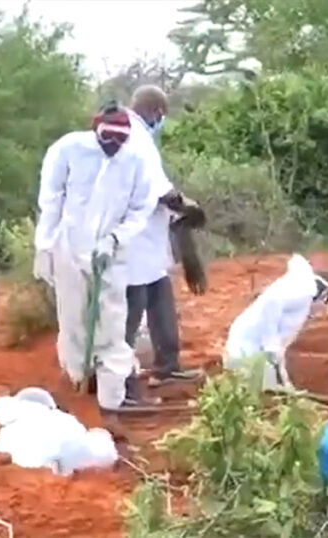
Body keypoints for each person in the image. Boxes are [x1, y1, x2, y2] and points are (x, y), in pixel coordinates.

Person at [33, 103, 158, 411]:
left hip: (111, 255)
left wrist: (115, 239)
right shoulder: (68, 149)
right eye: (108, 137)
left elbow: (141, 208)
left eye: (121, 139)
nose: (114, 145)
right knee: (73, 322)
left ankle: (111, 403)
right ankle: (79, 389)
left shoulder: (136, 160)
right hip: (69, 249)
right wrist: (45, 246)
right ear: (95, 129)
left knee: (112, 326)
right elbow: (51, 199)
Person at [123, 85, 206, 390]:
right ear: (157, 111)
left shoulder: (137, 134)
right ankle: (118, 378)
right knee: (131, 311)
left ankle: (167, 367)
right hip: (133, 242)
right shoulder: (136, 137)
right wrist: (191, 207)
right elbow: (161, 191)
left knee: (160, 298)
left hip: (148, 242)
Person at [224, 254, 328, 390]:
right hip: (249, 351)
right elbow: (272, 303)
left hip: (249, 350)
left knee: (270, 390)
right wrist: (270, 345)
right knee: (264, 394)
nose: (323, 310)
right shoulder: (304, 292)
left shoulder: (299, 292)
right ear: (324, 293)